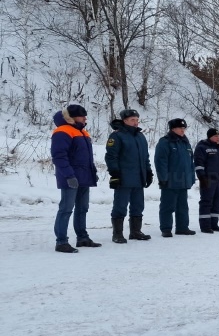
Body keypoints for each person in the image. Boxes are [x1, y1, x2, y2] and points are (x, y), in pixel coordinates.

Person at [50, 104, 101, 253]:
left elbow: (86, 157)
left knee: (82, 208)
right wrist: (69, 175)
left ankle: (82, 238)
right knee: (66, 209)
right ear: (71, 117)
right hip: (70, 177)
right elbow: (59, 156)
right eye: (82, 115)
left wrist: (93, 172)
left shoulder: (83, 132)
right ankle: (61, 241)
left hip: (84, 176)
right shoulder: (62, 131)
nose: (85, 118)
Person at [105, 108, 154, 243]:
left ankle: (135, 231)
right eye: (132, 120)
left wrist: (148, 172)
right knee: (120, 206)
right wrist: (114, 174)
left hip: (139, 178)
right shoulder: (117, 136)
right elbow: (111, 157)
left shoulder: (140, 136)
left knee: (138, 206)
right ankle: (117, 233)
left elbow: (145, 157)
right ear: (124, 121)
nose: (136, 122)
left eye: (137, 120)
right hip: (124, 177)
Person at [154, 118, 196, 237]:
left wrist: (192, 177)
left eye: (184, 128)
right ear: (173, 129)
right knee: (168, 206)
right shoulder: (165, 142)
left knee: (182, 206)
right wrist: (163, 178)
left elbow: (190, 162)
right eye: (180, 128)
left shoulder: (185, 143)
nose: (183, 130)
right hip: (170, 180)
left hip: (183, 180)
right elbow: (160, 161)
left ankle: (182, 227)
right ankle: (166, 228)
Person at [193, 128, 219, 233]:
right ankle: (205, 226)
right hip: (207, 178)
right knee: (206, 201)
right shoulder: (202, 147)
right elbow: (198, 163)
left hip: (218, 179)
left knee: (217, 201)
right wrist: (201, 177)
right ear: (210, 137)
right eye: (215, 136)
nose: (218, 138)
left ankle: (214, 224)